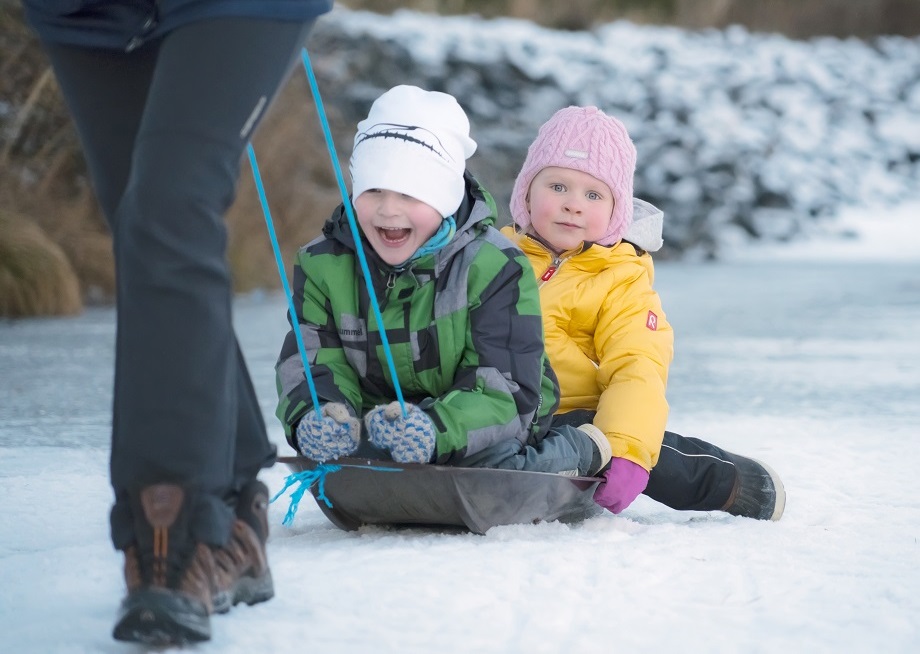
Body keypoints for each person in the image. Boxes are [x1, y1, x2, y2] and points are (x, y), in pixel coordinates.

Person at [19, 0, 334, 646]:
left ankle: (173, 542)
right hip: (86, 12)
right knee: (145, 224)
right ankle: (237, 505)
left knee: (169, 208)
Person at [276, 85, 611, 478]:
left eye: (410, 194)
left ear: (445, 197)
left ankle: (578, 450)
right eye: (373, 191)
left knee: (491, 467)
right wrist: (322, 416)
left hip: (489, 423)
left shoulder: (495, 266)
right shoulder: (322, 264)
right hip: (381, 427)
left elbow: (503, 390)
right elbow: (313, 361)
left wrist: (434, 429)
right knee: (348, 456)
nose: (388, 210)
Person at [502, 105, 786, 521]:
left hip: (571, 415)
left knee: (628, 445)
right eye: (558, 186)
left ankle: (731, 483)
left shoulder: (620, 278)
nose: (573, 205)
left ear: (617, 210)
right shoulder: (494, 256)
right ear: (526, 192)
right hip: (493, 406)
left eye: (593, 194)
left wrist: (626, 445)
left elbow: (637, 365)